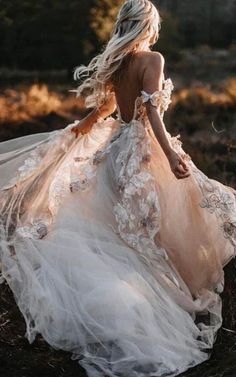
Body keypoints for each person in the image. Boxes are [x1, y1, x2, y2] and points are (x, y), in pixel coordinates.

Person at [0, 0, 235, 376]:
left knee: (125, 235)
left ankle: (132, 303)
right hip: (143, 154)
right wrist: (170, 155)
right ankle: (158, 307)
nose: (156, 32)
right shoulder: (151, 60)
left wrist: (78, 130)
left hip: (116, 154)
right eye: (154, 25)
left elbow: (107, 111)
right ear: (148, 25)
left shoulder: (118, 63)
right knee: (158, 232)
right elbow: (153, 112)